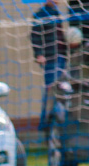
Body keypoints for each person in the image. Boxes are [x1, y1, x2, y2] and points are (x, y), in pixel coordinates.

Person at [31, 0, 68, 131]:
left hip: (62, 56)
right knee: (51, 90)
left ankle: (61, 121)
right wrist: (39, 54)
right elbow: (35, 36)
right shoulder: (40, 15)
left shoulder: (57, 13)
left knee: (63, 89)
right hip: (51, 58)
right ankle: (45, 123)